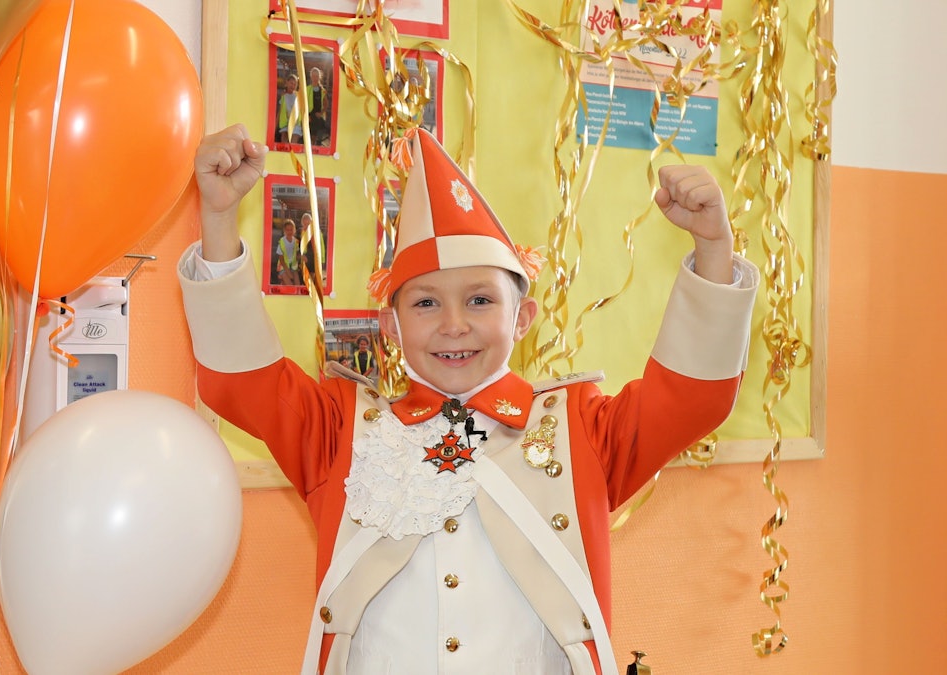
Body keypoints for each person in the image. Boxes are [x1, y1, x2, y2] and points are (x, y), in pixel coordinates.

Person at [180, 124, 758, 674]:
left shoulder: (578, 425)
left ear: (523, 317)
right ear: (391, 326)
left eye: (480, 301)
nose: (454, 325)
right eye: (426, 304)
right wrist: (219, 215)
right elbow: (239, 382)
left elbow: (691, 398)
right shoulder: (341, 428)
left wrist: (713, 249)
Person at [276, 73, 303, 145]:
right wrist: (275, 125)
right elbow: (280, 111)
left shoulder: (298, 96)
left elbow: (302, 111)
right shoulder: (283, 96)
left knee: (292, 144)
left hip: (295, 125)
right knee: (284, 144)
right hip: (285, 125)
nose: (293, 86)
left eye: (295, 84)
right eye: (291, 83)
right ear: (287, 83)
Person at [307, 66, 331, 146]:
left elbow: (326, 104)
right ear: (311, 76)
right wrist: (307, 116)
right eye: (313, 76)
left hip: (319, 116)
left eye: (316, 76)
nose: (315, 78)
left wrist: (321, 113)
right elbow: (304, 103)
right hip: (310, 115)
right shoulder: (307, 89)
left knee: (317, 134)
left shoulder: (323, 90)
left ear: (319, 77)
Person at [275, 218, 301, 286]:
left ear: (294, 230)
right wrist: (288, 271)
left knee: (297, 285)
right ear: (284, 231)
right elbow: (281, 260)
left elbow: (296, 255)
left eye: (291, 230)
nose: (289, 232)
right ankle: (283, 281)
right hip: (283, 268)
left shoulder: (296, 242)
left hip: (293, 267)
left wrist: (301, 257)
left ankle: (283, 283)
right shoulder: (282, 242)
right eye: (287, 230)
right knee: (290, 285)